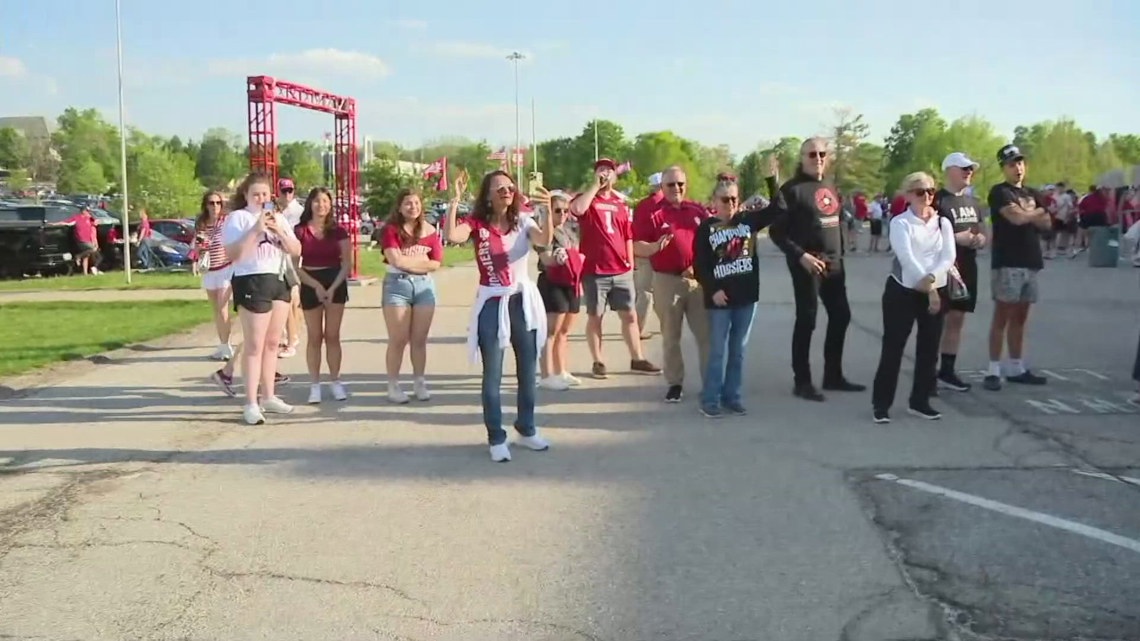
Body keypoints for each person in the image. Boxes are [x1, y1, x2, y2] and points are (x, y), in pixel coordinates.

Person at [445, 170, 554, 462]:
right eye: (499, 188)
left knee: (528, 370)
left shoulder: (523, 221)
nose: (506, 191)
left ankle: (527, 429)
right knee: (492, 373)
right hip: (492, 301)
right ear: (488, 196)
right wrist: (454, 201)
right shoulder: (477, 224)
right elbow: (452, 236)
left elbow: (544, 240)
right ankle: (496, 436)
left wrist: (547, 211)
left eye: (509, 187)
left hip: (522, 300)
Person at [768, 137, 865, 401]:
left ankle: (833, 375)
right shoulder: (791, 190)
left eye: (822, 153)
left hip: (835, 264)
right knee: (807, 321)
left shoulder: (829, 185)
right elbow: (776, 232)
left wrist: (841, 252)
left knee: (841, 316)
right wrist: (801, 256)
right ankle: (802, 382)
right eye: (811, 154)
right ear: (802, 159)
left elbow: (836, 221)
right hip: (808, 265)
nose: (818, 158)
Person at [693, 156, 782, 417]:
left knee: (738, 352)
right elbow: (700, 265)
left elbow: (779, 209)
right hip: (719, 300)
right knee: (717, 352)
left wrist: (772, 180)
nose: (729, 204)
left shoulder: (748, 221)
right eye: (724, 199)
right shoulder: (707, 229)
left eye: (733, 199)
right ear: (714, 202)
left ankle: (732, 396)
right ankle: (710, 399)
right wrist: (713, 289)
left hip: (746, 298)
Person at [871, 172, 956, 423]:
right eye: (920, 192)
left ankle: (920, 401)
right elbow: (906, 258)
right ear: (908, 195)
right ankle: (881, 404)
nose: (926, 196)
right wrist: (929, 287)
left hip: (935, 288)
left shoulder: (943, 223)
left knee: (929, 349)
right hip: (903, 290)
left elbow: (948, 257)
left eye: (930, 191)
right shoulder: (901, 223)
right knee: (893, 347)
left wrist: (932, 281)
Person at [222, 172, 302, 425]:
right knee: (254, 344)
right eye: (255, 194)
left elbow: (296, 249)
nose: (260, 199)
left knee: (273, 342)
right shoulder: (238, 218)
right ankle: (251, 402)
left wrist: (279, 231)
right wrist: (256, 230)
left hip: (278, 278)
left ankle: (269, 396)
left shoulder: (278, 217)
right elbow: (233, 254)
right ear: (246, 195)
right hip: (251, 279)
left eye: (265, 194)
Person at [569, 158, 660, 379]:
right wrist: (594, 186)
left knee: (629, 315)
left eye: (609, 170)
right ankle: (598, 361)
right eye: (601, 169)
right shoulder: (588, 199)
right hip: (595, 270)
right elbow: (577, 209)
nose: (605, 173)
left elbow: (627, 235)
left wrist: (631, 265)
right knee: (595, 316)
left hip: (621, 270)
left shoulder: (621, 204)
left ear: (615, 176)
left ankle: (637, 358)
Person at [632, 165, 711, 403]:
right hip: (666, 280)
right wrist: (655, 247)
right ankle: (675, 383)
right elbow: (636, 245)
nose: (676, 188)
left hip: (697, 281)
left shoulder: (697, 210)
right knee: (670, 336)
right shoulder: (652, 212)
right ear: (662, 186)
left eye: (680, 184)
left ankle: (711, 382)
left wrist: (698, 266)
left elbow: (712, 242)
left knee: (706, 335)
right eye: (670, 184)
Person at [983, 144, 1051, 391]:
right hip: (1007, 261)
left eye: (1020, 163)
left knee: (1021, 317)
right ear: (1004, 168)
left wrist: (1031, 213)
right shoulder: (1000, 192)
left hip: (1030, 260)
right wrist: (1034, 212)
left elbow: (1047, 223)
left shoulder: (1033, 193)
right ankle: (993, 369)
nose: (1018, 168)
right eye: (1012, 164)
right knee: (1002, 315)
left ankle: (1016, 367)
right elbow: (1017, 218)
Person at [382, 187, 444, 403]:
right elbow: (396, 260)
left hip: (424, 287)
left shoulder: (430, 230)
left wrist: (411, 263)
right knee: (398, 339)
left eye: (416, 203)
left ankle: (419, 381)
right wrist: (421, 262)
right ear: (399, 207)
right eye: (408, 203)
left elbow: (436, 263)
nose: (413, 207)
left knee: (419, 339)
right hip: (397, 286)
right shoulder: (391, 230)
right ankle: (393, 384)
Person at [293, 187, 351, 404]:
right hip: (310, 281)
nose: (321, 205)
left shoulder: (338, 231)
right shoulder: (300, 231)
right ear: (310, 204)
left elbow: (347, 263)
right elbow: (294, 266)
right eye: (317, 201)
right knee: (315, 336)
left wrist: (333, 287)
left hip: (335, 281)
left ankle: (335, 381)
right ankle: (315, 384)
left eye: (325, 201)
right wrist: (315, 285)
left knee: (332, 335)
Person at [935, 152, 986, 393]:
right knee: (935, 321)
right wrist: (955, 238)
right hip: (942, 269)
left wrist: (980, 239)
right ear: (949, 170)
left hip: (967, 267)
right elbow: (926, 235)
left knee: (957, 319)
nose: (968, 172)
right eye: (964, 168)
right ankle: (926, 372)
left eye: (970, 168)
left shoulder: (973, 202)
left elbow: (982, 230)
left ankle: (947, 370)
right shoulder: (936, 200)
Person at [536, 191, 585, 391]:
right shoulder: (543, 231)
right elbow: (546, 258)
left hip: (571, 281)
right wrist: (557, 258)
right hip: (552, 281)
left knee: (564, 331)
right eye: (558, 211)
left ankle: (561, 370)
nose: (563, 214)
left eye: (565, 211)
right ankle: (546, 375)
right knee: (550, 331)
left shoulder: (569, 230)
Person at [195, 190, 234, 361]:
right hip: (209, 269)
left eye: (218, 203)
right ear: (206, 205)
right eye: (211, 203)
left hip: (225, 269)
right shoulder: (201, 223)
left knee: (223, 307)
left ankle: (227, 345)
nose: (215, 206)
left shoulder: (226, 222)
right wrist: (199, 248)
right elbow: (196, 247)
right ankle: (222, 345)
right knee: (216, 309)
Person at [632, 172, 664, 339]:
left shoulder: (642, 205)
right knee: (661, 292)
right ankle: (665, 326)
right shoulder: (664, 204)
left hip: (640, 251)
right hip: (659, 251)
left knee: (645, 292)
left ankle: (637, 328)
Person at [277, 178, 304, 358]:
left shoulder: (299, 212)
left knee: (292, 299)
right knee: (289, 300)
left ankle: (292, 338)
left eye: (290, 191)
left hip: (294, 259)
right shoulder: (274, 210)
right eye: (284, 191)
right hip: (278, 259)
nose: (287, 194)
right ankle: (289, 335)